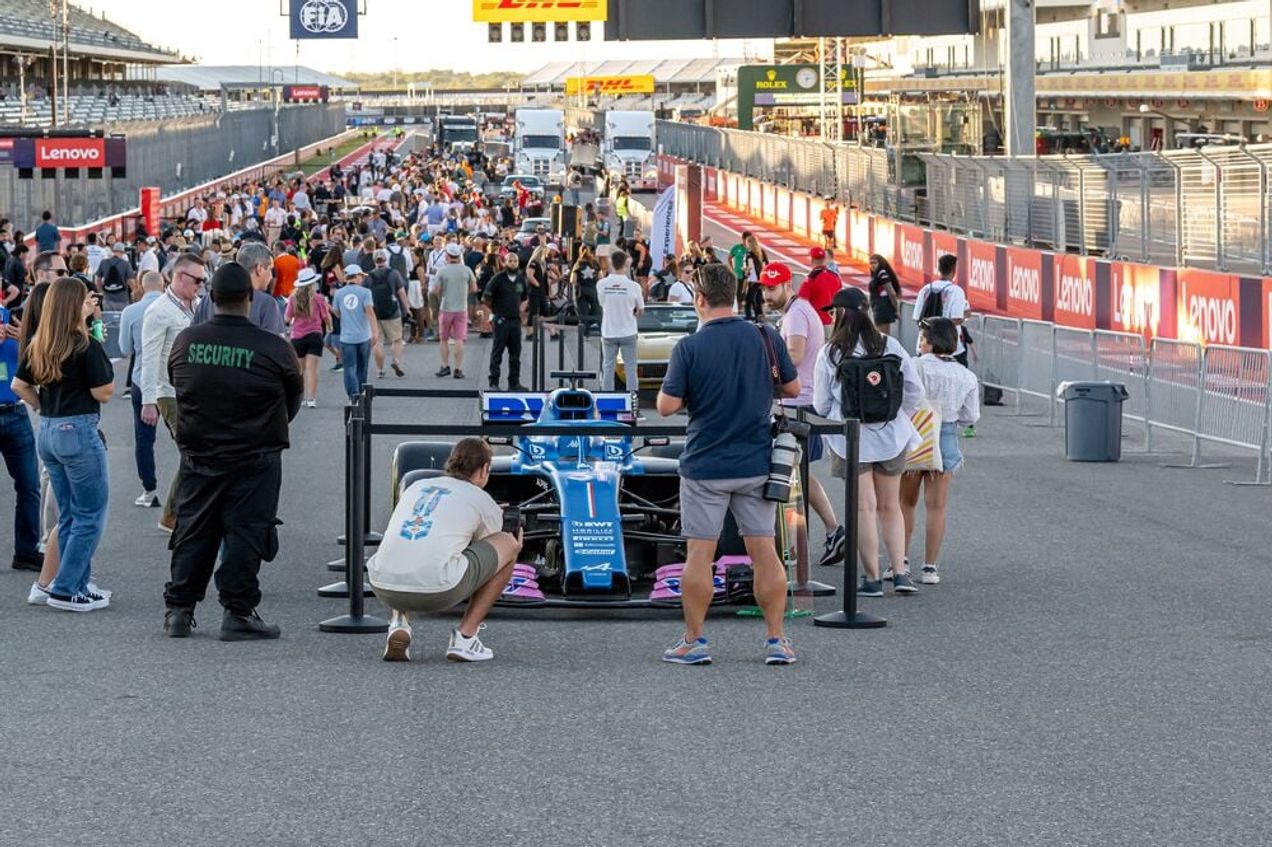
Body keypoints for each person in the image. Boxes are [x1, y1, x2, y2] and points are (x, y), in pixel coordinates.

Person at [656, 263, 800, 666]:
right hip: (756, 461)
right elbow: (792, 387)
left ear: (700, 300)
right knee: (764, 552)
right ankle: (776, 640)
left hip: (705, 464)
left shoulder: (689, 348)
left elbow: (667, 406)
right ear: (735, 295)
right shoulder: (764, 336)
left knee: (699, 555)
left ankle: (694, 641)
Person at [162, 261, 303, 640]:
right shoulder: (274, 347)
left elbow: (179, 385)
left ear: (212, 297)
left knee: (194, 529)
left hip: (199, 453)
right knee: (246, 532)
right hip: (254, 455)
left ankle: (179, 609)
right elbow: (293, 399)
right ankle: (238, 611)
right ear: (250, 297)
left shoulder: (186, 341)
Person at [813, 287, 925, 597]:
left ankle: (872, 578)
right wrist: (894, 413)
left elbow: (821, 405)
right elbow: (915, 391)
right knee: (891, 506)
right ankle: (900, 573)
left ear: (839, 314)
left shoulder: (832, 352)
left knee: (864, 508)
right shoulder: (890, 344)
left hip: (852, 439)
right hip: (892, 434)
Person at [367, 438, 523, 663]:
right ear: (485, 469)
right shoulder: (480, 498)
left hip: (383, 586)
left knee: (410, 544)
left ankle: (398, 622)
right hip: (439, 590)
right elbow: (490, 542)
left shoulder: (417, 487)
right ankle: (466, 638)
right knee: (509, 544)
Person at [11, 277, 115, 611]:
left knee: (69, 513)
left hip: (50, 429)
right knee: (89, 514)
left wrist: (44, 406)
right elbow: (104, 392)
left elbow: (18, 384)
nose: (90, 303)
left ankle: (74, 583)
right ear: (74, 304)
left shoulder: (40, 342)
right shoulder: (85, 345)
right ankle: (68, 587)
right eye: (86, 299)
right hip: (79, 429)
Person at [757, 262, 844, 567]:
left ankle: (796, 548)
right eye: (764, 289)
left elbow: (794, 354)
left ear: (787, 286)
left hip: (797, 404)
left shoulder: (795, 314)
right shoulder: (800, 310)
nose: (767, 295)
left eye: (772, 288)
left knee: (790, 476)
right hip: (800, 402)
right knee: (798, 474)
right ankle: (829, 532)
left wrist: (763, 372)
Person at [899, 318, 980, 586]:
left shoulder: (914, 365)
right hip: (945, 436)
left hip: (916, 432)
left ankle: (899, 563)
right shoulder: (966, 376)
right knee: (937, 507)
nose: (919, 343)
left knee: (904, 504)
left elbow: (903, 398)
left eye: (922, 338)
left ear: (930, 342)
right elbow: (970, 417)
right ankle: (930, 567)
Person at [141, 252, 205, 534]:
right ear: (179, 277)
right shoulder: (158, 311)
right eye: (197, 280)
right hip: (169, 392)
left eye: (203, 280)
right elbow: (150, 357)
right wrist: (148, 401)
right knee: (195, 453)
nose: (200, 286)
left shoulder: (199, 305)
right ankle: (172, 516)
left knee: (196, 453)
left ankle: (180, 514)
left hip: (196, 390)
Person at [0, 299, 42, 575]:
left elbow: (38, 365)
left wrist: (27, 340)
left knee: (29, 485)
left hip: (15, 412)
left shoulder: (14, 318)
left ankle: (26, 551)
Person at [116, 270, 164, 508]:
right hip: (173, 380)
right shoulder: (176, 308)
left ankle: (149, 489)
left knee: (144, 439)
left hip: (142, 379)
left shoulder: (131, 311)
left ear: (143, 287)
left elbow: (125, 348)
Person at [193, 242, 286, 334]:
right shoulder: (267, 304)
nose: (271, 276)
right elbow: (275, 344)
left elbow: (193, 336)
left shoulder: (207, 299)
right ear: (259, 269)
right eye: (270, 269)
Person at [284, 267, 332, 408]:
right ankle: (311, 399)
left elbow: (287, 318)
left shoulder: (293, 298)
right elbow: (325, 316)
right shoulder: (318, 298)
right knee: (312, 369)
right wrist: (329, 326)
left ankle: (300, 398)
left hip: (297, 337)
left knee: (300, 370)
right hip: (315, 335)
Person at [334, 265, 382, 403]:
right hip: (363, 336)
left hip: (347, 337)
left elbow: (337, 313)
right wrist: (375, 332)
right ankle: (361, 393)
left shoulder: (339, 293)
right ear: (357, 276)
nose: (362, 279)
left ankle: (352, 394)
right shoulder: (365, 292)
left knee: (349, 366)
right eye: (361, 276)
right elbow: (370, 312)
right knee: (362, 367)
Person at [598, 250, 644, 392]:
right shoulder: (634, 286)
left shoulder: (601, 284)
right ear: (625, 264)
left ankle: (607, 399)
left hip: (609, 330)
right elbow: (641, 309)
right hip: (628, 330)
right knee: (630, 367)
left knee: (608, 367)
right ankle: (632, 401)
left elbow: (602, 303)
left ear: (611, 263)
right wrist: (633, 314)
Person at [482, 252, 527, 391]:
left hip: (515, 321)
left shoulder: (520, 279)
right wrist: (494, 313)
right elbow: (486, 298)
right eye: (510, 261)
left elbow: (523, 297)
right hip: (501, 320)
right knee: (497, 353)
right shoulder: (498, 279)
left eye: (515, 261)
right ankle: (494, 382)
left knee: (515, 354)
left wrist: (523, 312)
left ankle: (514, 382)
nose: (513, 263)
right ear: (504, 262)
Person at [434, 242, 477, 380]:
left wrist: (442, 294)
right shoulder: (467, 270)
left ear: (447, 255)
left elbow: (436, 290)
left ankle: (445, 366)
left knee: (444, 338)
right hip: (461, 308)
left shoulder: (442, 271)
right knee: (459, 339)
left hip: (446, 307)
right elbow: (474, 288)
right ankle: (458, 369)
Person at [913, 254, 968, 358]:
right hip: (949, 350)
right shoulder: (956, 291)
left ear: (939, 268)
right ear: (953, 270)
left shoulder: (925, 289)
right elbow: (956, 319)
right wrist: (965, 317)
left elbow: (917, 318)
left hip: (924, 347)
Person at [366, 249, 410, 378]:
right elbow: (401, 293)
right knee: (397, 339)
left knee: (378, 341)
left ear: (374, 261)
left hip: (375, 313)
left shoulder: (368, 277)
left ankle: (380, 370)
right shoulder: (394, 273)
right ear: (386, 259)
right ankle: (395, 359)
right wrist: (407, 309)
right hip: (392, 312)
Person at [798, 247, 841, 329]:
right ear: (824, 259)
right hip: (833, 322)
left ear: (812, 260)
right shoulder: (835, 276)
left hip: (815, 323)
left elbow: (801, 301)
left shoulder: (811, 278)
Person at [867, 254, 903, 336]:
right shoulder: (877, 274)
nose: (872, 265)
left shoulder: (882, 274)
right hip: (878, 307)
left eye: (874, 263)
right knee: (881, 335)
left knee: (883, 335)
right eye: (870, 263)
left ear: (881, 263)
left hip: (882, 307)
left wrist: (896, 310)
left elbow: (892, 293)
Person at [571, 246, 601, 338]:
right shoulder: (595, 263)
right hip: (593, 289)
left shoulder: (578, 264)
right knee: (596, 308)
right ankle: (600, 327)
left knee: (583, 311)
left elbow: (573, 279)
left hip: (581, 291)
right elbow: (601, 277)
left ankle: (585, 332)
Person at [95, 242, 134, 312]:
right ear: (122, 252)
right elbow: (131, 282)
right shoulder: (126, 264)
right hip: (122, 298)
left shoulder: (104, 262)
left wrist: (100, 292)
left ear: (113, 251)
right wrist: (134, 294)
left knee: (108, 320)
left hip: (107, 298)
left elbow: (98, 279)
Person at [741, 232, 767, 321]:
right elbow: (765, 265)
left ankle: (750, 317)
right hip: (760, 279)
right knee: (758, 299)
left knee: (749, 300)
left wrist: (745, 272)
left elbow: (749, 268)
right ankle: (759, 316)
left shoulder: (748, 254)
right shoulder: (761, 252)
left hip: (753, 280)